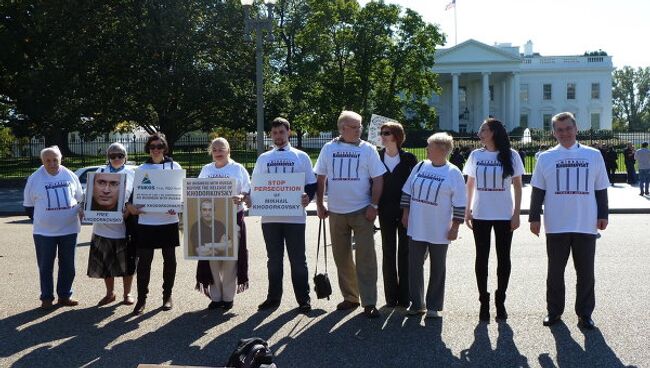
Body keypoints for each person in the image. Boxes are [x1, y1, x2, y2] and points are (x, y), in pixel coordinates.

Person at [529, 112, 609, 329]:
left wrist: (603, 214)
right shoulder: (545, 157)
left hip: (585, 222)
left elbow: (601, 188)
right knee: (555, 272)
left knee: (586, 272)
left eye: (568, 128)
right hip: (556, 223)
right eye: (559, 130)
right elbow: (538, 190)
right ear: (554, 132)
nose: (564, 133)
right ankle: (554, 311)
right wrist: (534, 218)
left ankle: (585, 314)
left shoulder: (593, 155)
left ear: (576, 129)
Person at [315, 110, 386, 318]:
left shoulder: (368, 149)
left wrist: (374, 205)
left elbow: (379, 179)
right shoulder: (329, 148)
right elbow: (321, 177)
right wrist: (320, 204)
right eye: (355, 127)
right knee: (342, 258)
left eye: (360, 126)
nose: (359, 130)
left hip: (362, 211)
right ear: (342, 128)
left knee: (366, 258)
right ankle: (350, 297)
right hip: (336, 212)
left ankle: (369, 301)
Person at [251, 117, 316, 314]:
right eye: (275, 133)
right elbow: (255, 185)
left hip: (295, 218)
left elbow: (311, 184)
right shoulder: (264, 158)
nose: (278, 136)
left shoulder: (301, 156)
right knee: (274, 260)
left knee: (298, 260)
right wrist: (250, 199)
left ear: (289, 132)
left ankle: (303, 299)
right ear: (271, 135)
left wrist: (308, 197)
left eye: (282, 132)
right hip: (270, 218)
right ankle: (273, 298)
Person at [464, 119, 524, 321]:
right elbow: (470, 184)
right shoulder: (475, 155)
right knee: (481, 258)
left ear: (494, 132)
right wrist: (467, 210)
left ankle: (500, 301)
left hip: (504, 215)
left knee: (503, 259)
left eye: (484, 129)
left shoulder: (511, 155)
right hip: (481, 214)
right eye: (480, 129)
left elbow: (517, 186)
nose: (480, 133)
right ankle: (484, 301)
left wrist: (516, 213)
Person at [401, 133, 466, 319]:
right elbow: (407, 192)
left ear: (442, 149)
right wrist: (405, 214)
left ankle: (433, 306)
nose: (426, 149)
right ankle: (417, 304)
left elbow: (460, 203)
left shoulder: (453, 172)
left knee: (438, 267)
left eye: (429, 146)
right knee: (414, 265)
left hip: (439, 228)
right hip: (417, 225)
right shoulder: (420, 166)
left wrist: (455, 227)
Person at [127, 133, 183, 315]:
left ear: (165, 148)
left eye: (159, 146)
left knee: (170, 261)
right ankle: (141, 299)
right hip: (146, 221)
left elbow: (182, 194)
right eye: (152, 147)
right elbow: (131, 197)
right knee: (144, 262)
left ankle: (167, 296)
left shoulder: (174, 166)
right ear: (148, 149)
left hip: (168, 221)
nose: (156, 150)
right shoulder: (141, 169)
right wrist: (131, 207)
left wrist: (178, 206)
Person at [23, 146, 84, 309]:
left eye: (55, 159)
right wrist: (44, 220)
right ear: (42, 161)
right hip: (44, 233)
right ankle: (47, 298)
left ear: (61, 158)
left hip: (69, 230)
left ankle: (64, 295)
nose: (52, 163)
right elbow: (29, 207)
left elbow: (80, 198)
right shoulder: (34, 178)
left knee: (68, 266)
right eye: (48, 160)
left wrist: (81, 210)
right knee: (45, 266)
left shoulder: (70, 175)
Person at [195, 137, 250, 311]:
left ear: (228, 151)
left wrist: (241, 197)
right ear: (211, 151)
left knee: (229, 261)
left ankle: (228, 297)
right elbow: (196, 191)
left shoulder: (237, 168)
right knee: (212, 258)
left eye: (222, 149)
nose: (218, 152)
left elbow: (247, 193)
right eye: (215, 149)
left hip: (232, 219)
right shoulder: (206, 169)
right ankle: (216, 297)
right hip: (209, 221)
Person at [87, 143, 136, 306]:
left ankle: (127, 293)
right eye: (113, 155)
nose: (116, 158)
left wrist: (128, 210)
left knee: (127, 263)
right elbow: (89, 196)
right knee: (106, 263)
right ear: (108, 157)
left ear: (125, 157)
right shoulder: (100, 173)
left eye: (120, 155)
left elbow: (137, 196)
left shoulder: (133, 173)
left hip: (124, 226)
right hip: (102, 227)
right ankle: (110, 293)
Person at [377, 121, 416, 308]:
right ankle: (390, 297)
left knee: (405, 252)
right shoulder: (376, 157)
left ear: (396, 136)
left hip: (405, 211)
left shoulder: (409, 159)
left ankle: (405, 296)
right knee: (388, 252)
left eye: (386, 133)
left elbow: (415, 186)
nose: (382, 136)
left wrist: (409, 211)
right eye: (381, 133)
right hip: (384, 211)